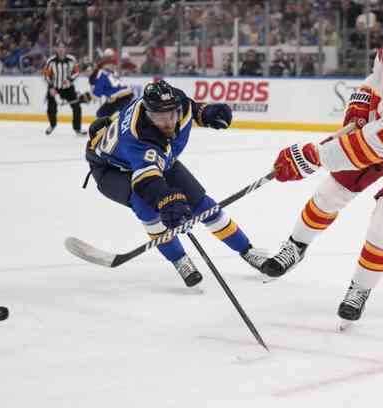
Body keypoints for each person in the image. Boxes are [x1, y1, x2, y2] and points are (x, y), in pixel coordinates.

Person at [262, 24, 383, 325]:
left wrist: (310, 157)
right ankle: (296, 246)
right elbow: (376, 80)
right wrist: (361, 102)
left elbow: (361, 149)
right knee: (331, 193)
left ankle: (360, 288)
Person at [84, 80, 268, 287]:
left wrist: (207, 114)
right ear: (148, 114)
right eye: (159, 118)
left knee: (203, 205)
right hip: (111, 169)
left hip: (159, 159)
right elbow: (147, 180)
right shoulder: (138, 136)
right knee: (146, 207)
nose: (169, 123)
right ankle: (179, 259)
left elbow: (194, 109)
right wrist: (166, 200)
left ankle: (247, 250)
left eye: (172, 114)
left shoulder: (179, 102)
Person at [43, 41, 86, 136]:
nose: (61, 49)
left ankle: (77, 129)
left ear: (66, 49)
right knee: (51, 109)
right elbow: (46, 75)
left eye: (63, 47)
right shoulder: (51, 61)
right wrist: (51, 88)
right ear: (56, 49)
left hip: (68, 88)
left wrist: (70, 80)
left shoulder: (71, 59)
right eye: (59, 47)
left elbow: (77, 72)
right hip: (55, 88)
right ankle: (52, 125)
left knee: (77, 107)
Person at [89, 48, 135, 118]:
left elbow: (96, 96)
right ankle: (106, 127)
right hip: (121, 95)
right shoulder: (107, 72)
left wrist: (84, 98)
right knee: (100, 114)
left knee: (127, 116)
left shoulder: (100, 75)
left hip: (121, 97)